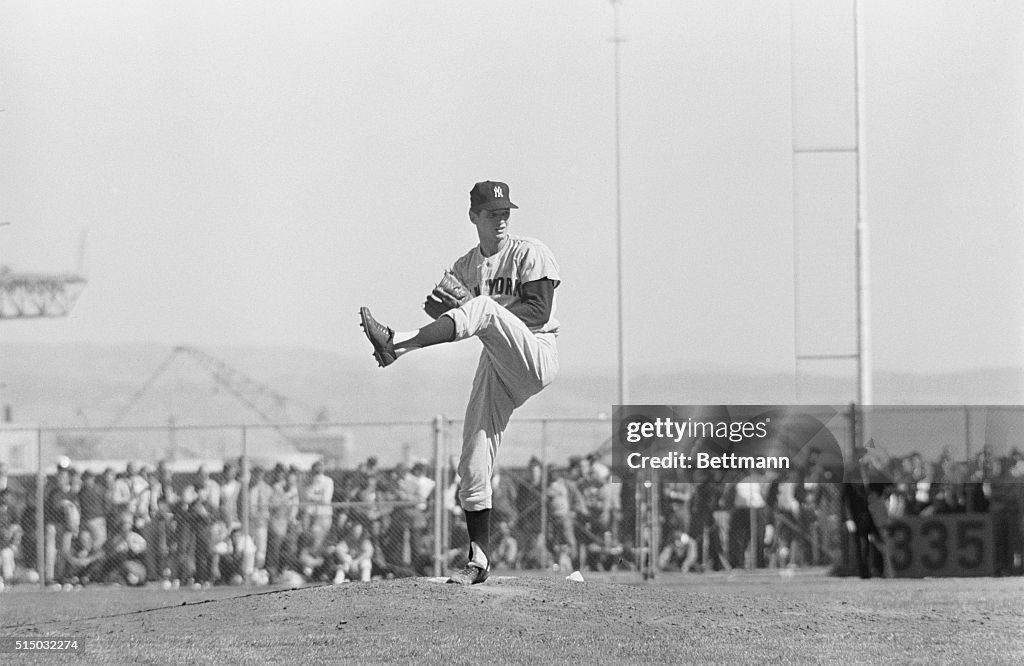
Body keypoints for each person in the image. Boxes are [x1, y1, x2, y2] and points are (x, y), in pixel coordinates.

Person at [359, 180, 560, 585]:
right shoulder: (466, 267)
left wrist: (474, 309)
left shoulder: (529, 253)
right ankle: (479, 560)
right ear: (474, 217)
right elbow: (441, 313)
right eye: (492, 213)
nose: (501, 219)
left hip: (535, 352)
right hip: (498, 361)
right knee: (472, 454)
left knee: (483, 307)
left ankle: (395, 344)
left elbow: (537, 312)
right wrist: (443, 309)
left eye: (506, 212)